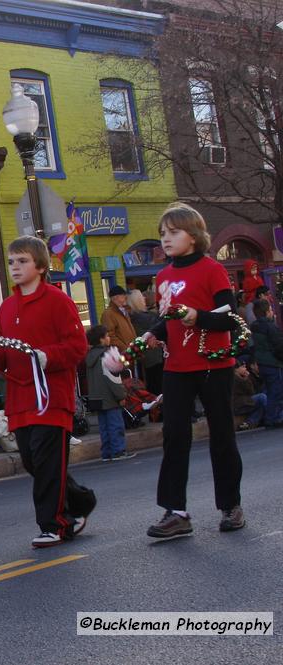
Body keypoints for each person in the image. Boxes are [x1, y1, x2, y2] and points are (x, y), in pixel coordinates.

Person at [0, 236, 93, 548]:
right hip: (20, 399)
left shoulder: (58, 301)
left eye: (22, 261)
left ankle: (53, 524)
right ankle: (80, 501)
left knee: (48, 463)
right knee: (33, 462)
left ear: (40, 266)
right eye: (12, 261)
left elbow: (77, 346)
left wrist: (48, 356)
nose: (15, 266)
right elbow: (5, 350)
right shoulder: (6, 308)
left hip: (52, 397)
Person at [141, 203, 245, 537]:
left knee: (221, 436)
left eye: (173, 232)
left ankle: (230, 506)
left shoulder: (211, 270)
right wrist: (151, 334)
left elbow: (229, 317)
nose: (166, 239)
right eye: (162, 234)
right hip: (178, 366)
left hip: (214, 363)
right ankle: (176, 512)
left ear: (194, 236)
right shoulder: (163, 276)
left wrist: (197, 316)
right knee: (174, 436)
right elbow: (165, 320)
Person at [85, 325, 135, 461]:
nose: (108, 338)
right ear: (101, 340)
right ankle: (118, 450)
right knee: (115, 425)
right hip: (110, 398)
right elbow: (113, 378)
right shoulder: (107, 355)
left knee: (104, 427)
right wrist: (121, 396)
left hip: (97, 397)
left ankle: (106, 452)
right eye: (106, 336)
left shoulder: (90, 356)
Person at [249, 299, 283, 428]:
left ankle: (271, 416)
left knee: (269, 390)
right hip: (273, 362)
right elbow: (278, 346)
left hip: (262, 363)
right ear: (266, 311)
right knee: (277, 391)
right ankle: (274, 417)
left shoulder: (254, 327)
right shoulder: (270, 327)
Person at [127, 289, 164, 396]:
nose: (144, 298)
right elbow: (159, 325)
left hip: (150, 356)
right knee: (157, 386)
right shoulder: (143, 317)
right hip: (153, 356)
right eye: (141, 297)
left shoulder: (136, 316)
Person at [101, 286, 136, 353]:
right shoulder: (108, 314)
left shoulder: (124, 310)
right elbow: (110, 335)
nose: (126, 297)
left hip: (130, 352)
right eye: (123, 295)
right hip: (121, 354)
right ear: (115, 298)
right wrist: (125, 348)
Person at [232, 362, 265, 431]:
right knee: (262, 397)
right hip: (237, 405)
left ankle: (249, 423)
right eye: (243, 367)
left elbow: (251, 392)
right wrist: (246, 379)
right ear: (236, 369)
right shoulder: (234, 378)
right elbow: (251, 392)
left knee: (262, 404)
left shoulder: (241, 377)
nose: (245, 369)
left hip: (243, 402)